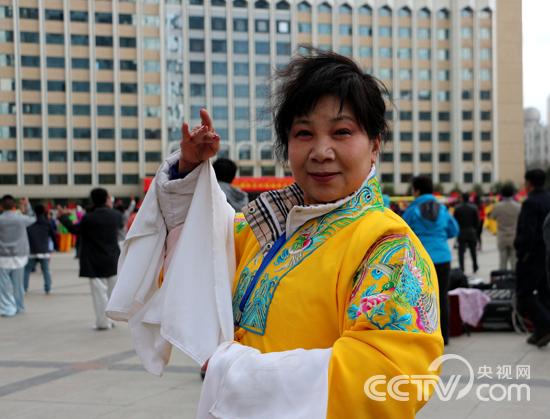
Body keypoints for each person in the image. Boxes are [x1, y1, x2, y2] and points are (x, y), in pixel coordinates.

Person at [109, 50, 443, 417]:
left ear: (375, 144)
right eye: (304, 133)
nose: (321, 151)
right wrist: (190, 172)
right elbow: (196, 252)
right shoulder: (264, 228)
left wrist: (232, 370)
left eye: (342, 132)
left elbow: (392, 377)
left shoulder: (389, 248)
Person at [402, 176, 459, 345]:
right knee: (442, 296)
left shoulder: (412, 210)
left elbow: (402, 231)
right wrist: (439, 236)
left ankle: (425, 336)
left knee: (419, 299)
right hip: (443, 257)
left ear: (417, 190)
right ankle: (444, 336)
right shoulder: (442, 209)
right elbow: (454, 230)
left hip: (421, 259)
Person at [59, 188, 122, 330]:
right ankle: (112, 319)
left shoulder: (89, 217)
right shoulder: (116, 215)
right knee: (112, 292)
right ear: (106, 199)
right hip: (112, 259)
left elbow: (75, 229)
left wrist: (63, 217)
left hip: (94, 261)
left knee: (99, 294)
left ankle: (103, 322)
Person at [515, 169, 550, 347]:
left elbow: (528, 231)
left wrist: (522, 253)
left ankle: (545, 325)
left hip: (532, 255)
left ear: (529, 183)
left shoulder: (530, 202)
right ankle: (540, 332)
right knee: (544, 293)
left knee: (524, 294)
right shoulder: (548, 198)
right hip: (547, 253)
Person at [0, 196, 35, 316]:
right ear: (14, 206)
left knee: (4, 286)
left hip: (3, 257)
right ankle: (19, 307)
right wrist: (27, 205)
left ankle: (8, 308)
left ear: (1, 207)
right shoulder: (20, 219)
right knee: (18, 285)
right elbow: (32, 218)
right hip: (20, 256)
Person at [24, 204, 57, 294]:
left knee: (27, 270)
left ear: (34, 211)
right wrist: (55, 246)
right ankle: (48, 288)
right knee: (45, 270)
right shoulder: (47, 223)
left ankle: (24, 288)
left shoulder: (30, 223)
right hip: (44, 250)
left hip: (32, 250)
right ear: (44, 211)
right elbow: (53, 236)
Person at [489, 184, 521, 270]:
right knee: (514, 262)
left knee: (502, 262)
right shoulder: (518, 206)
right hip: (514, 236)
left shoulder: (497, 206)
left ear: (502, 194)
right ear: (513, 193)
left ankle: (502, 277)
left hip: (502, 237)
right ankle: (514, 278)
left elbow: (492, 217)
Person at [453, 193, 480, 274]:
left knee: (461, 252)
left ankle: (462, 268)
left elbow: (454, 221)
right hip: (471, 231)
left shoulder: (457, 208)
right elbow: (477, 221)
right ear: (469, 198)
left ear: (462, 198)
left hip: (461, 232)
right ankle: (475, 266)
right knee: (473, 251)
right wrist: (474, 229)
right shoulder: (474, 207)